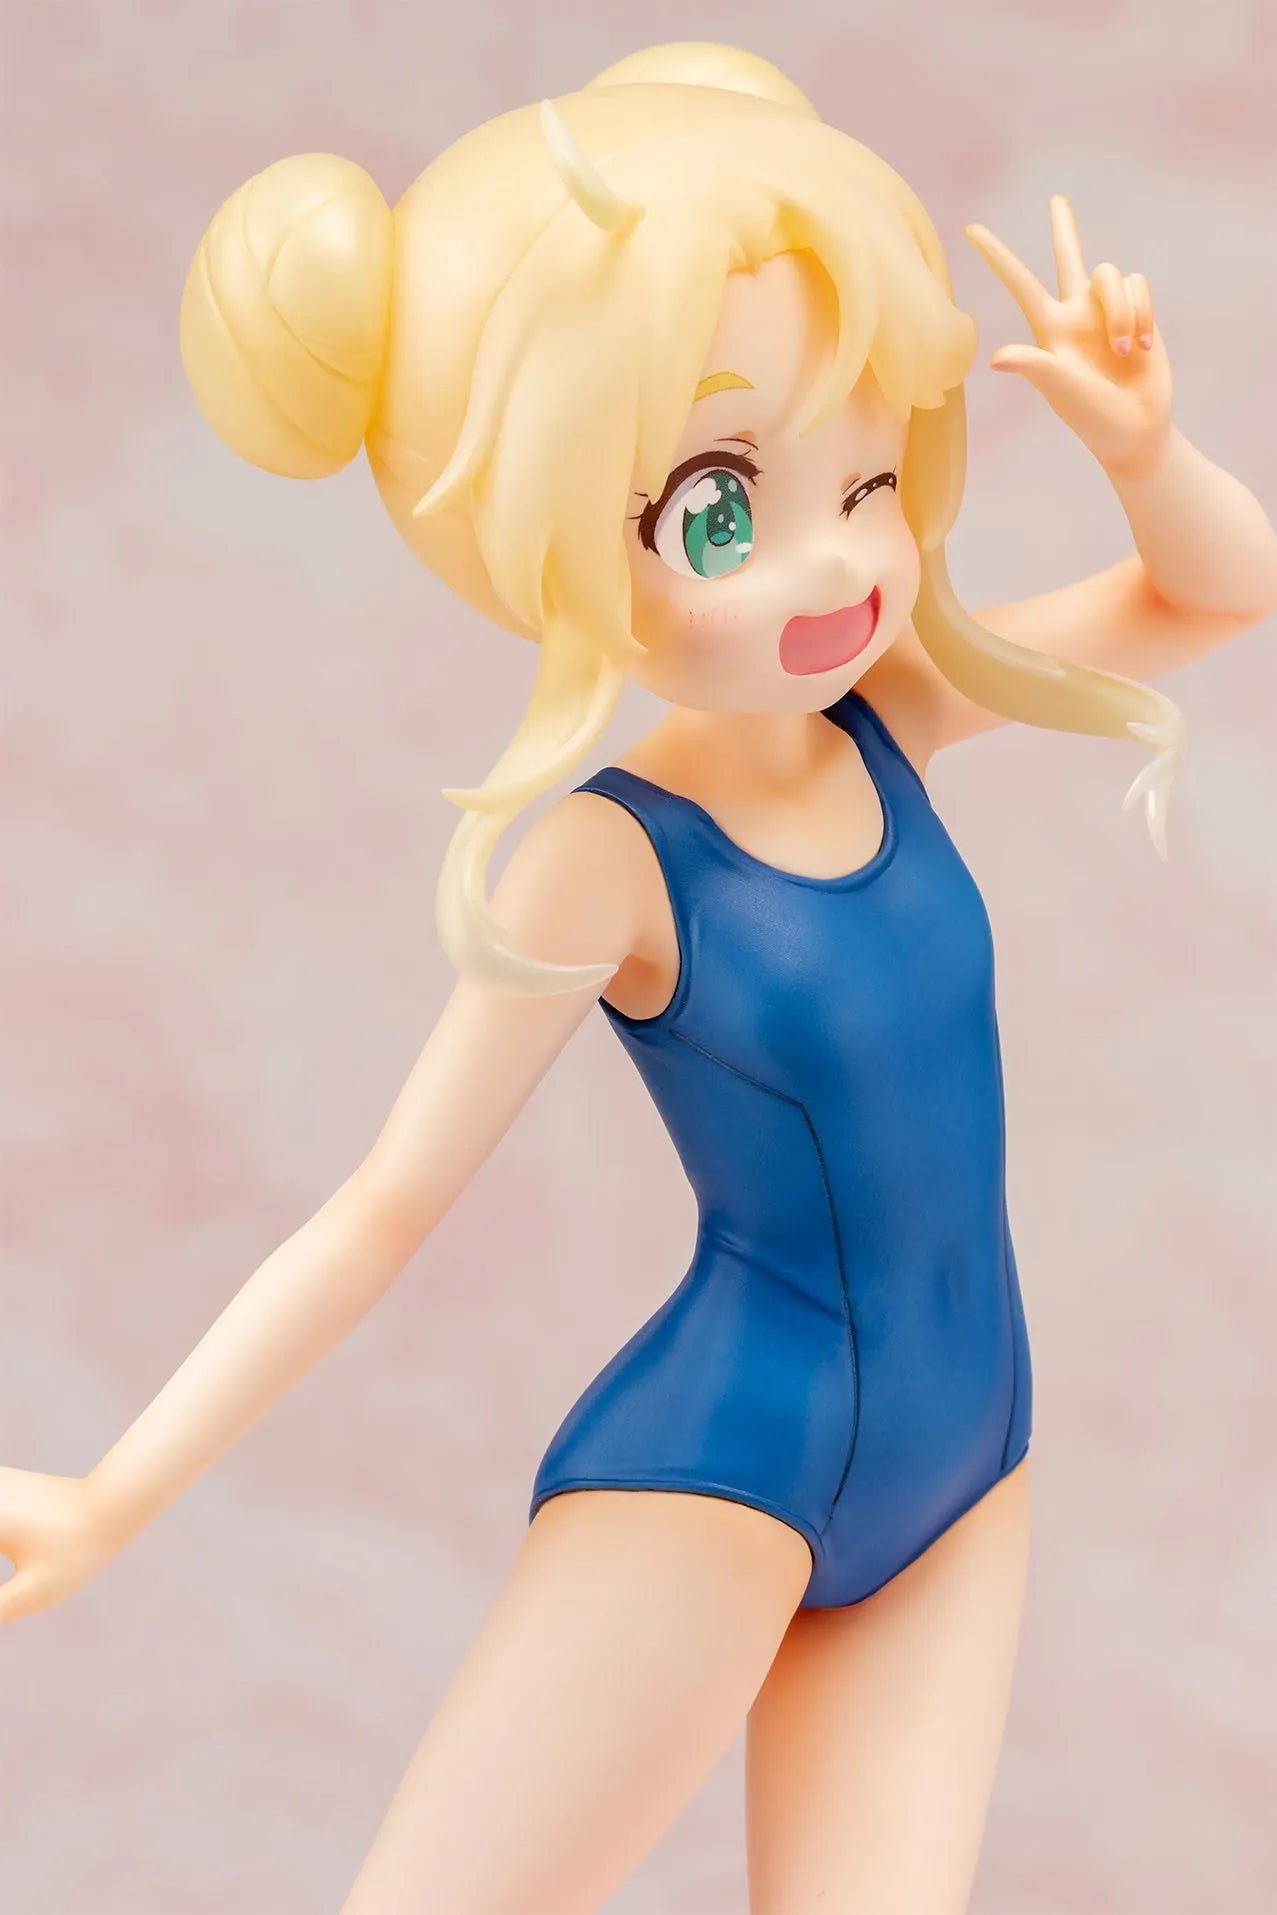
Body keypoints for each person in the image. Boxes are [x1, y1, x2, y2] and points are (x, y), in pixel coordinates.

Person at [2, 39, 1274, 1915]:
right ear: (544, 539)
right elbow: (379, 1209)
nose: (834, 565)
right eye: (721, 513)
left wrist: (1142, 449)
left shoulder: (895, 708)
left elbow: (1215, 594)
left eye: (867, 472)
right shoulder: (606, 857)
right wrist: (116, 1492)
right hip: (720, 1469)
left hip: (968, 1458)